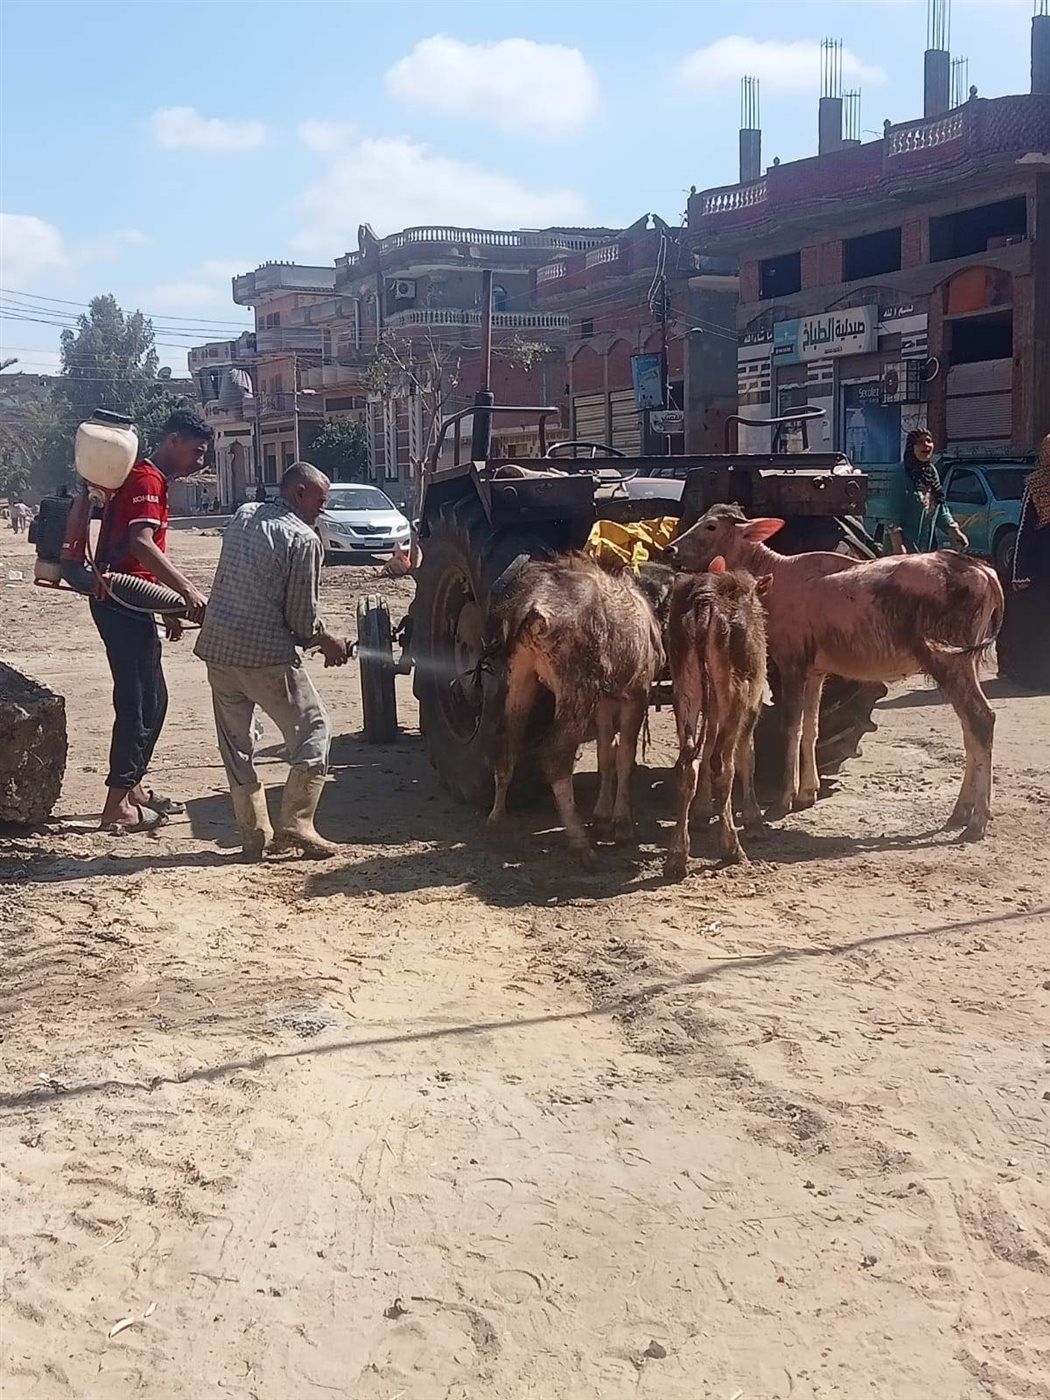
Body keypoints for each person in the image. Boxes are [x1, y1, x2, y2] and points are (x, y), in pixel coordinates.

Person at [194, 462, 348, 860]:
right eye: (320, 500)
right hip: (265, 657)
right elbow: (301, 620)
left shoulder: (243, 515)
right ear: (299, 492)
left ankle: (254, 834)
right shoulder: (304, 539)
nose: (323, 508)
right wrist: (326, 641)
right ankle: (297, 823)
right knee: (315, 729)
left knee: (236, 745)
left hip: (218, 651)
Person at [90, 407, 212, 832]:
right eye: (197, 451)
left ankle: (133, 788)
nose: (200, 460)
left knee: (154, 699)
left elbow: (139, 556)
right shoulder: (146, 480)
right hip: (119, 601)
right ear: (173, 441)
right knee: (138, 702)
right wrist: (185, 591)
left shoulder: (153, 479)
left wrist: (164, 607)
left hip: (131, 600)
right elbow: (141, 545)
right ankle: (116, 807)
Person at [998, 433, 1050, 691]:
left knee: (1037, 619)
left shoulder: (1037, 482)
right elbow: (1024, 532)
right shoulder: (1038, 483)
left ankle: (1036, 674)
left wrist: (1019, 573)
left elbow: (1024, 531)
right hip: (1042, 561)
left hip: (1041, 560)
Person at [895, 428, 969, 554]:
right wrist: (898, 546)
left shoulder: (931, 472)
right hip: (901, 552)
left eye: (929, 441)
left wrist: (955, 532)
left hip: (925, 547)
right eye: (920, 442)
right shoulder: (901, 473)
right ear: (911, 447)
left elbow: (939, 505)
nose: (926, 445)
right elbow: (892, 513)